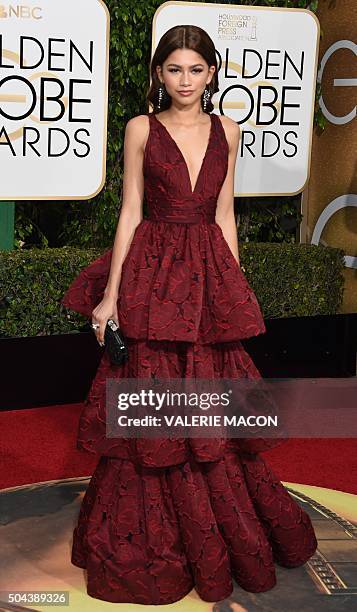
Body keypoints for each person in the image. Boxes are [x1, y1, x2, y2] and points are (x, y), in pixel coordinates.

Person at [61, 24, 317, 606]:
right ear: (159, 73)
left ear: (211, 72)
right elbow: (129, 212)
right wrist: (111, 296)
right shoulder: (139, 130)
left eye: (195, 70)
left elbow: (225, 213)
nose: (185, 81)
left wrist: (234, 284)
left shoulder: (229, 128)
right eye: (174, 69)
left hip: (206, 271)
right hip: (153, 269)